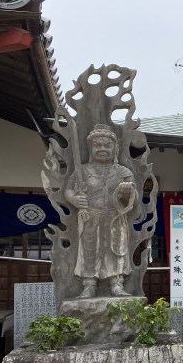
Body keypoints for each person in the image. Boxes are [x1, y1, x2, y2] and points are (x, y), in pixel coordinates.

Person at [65, 124, 136, 299]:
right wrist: (74, 199)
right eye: (98, 145)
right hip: (91, 217)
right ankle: (89, 285)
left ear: (115, 148)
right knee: (90, 250)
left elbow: (134, 196)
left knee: (116, 250)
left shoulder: (123, 172)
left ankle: (116, 283)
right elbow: (68, 190)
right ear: (90, 148)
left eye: (107, 145)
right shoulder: (82, 171)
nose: (102, 148)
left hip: (115, 218)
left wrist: (127, 193)